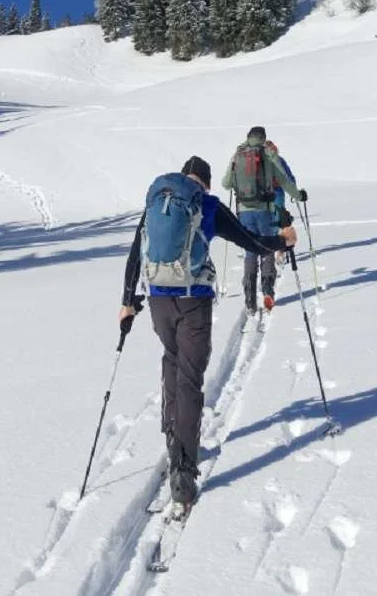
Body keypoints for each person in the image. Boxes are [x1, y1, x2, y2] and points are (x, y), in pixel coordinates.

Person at [118, 156, 296, 506]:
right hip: (193, 300)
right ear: (207, 182)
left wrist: (127, 301)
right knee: (189, 377)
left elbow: (136, 254)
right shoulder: (208, 205)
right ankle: (183, 471)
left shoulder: (157, 201)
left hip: (157, 300)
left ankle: (173, 435)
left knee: (171, 360)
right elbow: (252, 241)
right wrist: (283, 241)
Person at [222, 126, 306, 313]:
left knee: (250, 250)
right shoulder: (268, 154)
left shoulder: (238, 154)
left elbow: (226, 183)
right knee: (267, 249)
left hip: (244, 213)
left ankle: (250, 297)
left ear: (248, 137)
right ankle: (268, 290)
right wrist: (299, 195)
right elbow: (284, 180)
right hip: (265, 211)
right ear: (263, 137)